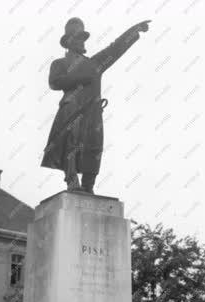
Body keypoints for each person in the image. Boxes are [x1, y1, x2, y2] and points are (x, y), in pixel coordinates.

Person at [41, 17, 151, 193]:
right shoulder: (59, 63)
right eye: (78, 38)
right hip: (72, 108)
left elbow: (114, 49)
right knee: (72, 143)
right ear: (68, 42)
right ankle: (71, 180)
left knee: (94, 146)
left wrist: (133, 31)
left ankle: (88, 186)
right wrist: (79, 79)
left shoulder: (94, 64)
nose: (82, 42)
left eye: (83, 38)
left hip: (93, 112)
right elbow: (54, 82)